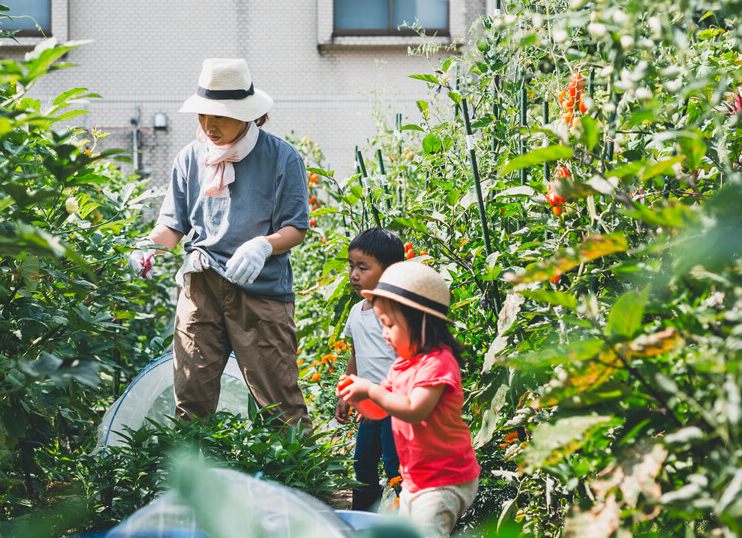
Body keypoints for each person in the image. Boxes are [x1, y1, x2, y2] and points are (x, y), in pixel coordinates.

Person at [127, 58, 311, 427]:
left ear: (247, 115)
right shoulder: (189, 159)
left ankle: (299, 482)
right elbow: (171, 225)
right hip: (201, 284)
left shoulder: (281, 158)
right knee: (191, 397)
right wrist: (148, 248)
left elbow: (296, 227)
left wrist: (263, 245)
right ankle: (193, 480)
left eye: (220, 117)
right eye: (202, 116)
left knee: (279, 402)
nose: (209, 126)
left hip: (260, 291)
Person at [337, 262, 480, 538]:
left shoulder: (438, 363)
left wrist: (371, 389)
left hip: (446, 479)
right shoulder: (401, 366)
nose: (384, 333)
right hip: (417, 479)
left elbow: (415, 410)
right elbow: (379, 410)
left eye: (389, 325)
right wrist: (357, 396)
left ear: (418, 322)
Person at [334, 228, 404, 512]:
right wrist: (345, 394)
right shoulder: (356, 312)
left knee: (394, 465)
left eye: (363, 267)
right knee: (362, 465)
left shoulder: (398, 311)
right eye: (352, 266)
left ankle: (405, 519)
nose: (354, 274)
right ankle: (364, 518)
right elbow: (356, 354)